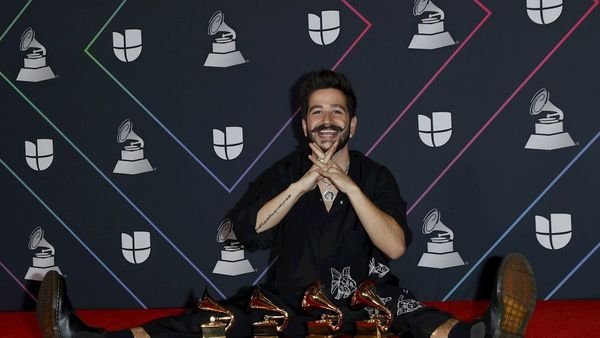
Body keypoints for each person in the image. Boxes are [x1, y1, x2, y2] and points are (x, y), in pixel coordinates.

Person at [36, 70, 537, 338]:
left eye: (336, 111)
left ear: (352, 124)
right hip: (291, 302)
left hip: (367, 299)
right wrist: (301, 186)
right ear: (304, 125)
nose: (326, 119)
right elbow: (248, 231)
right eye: (316, 111)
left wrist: (350, 187)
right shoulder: (282, 174)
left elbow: (396, 246)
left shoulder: (375, 175)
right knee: (206, 323)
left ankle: (487, 333)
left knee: (416, 317)